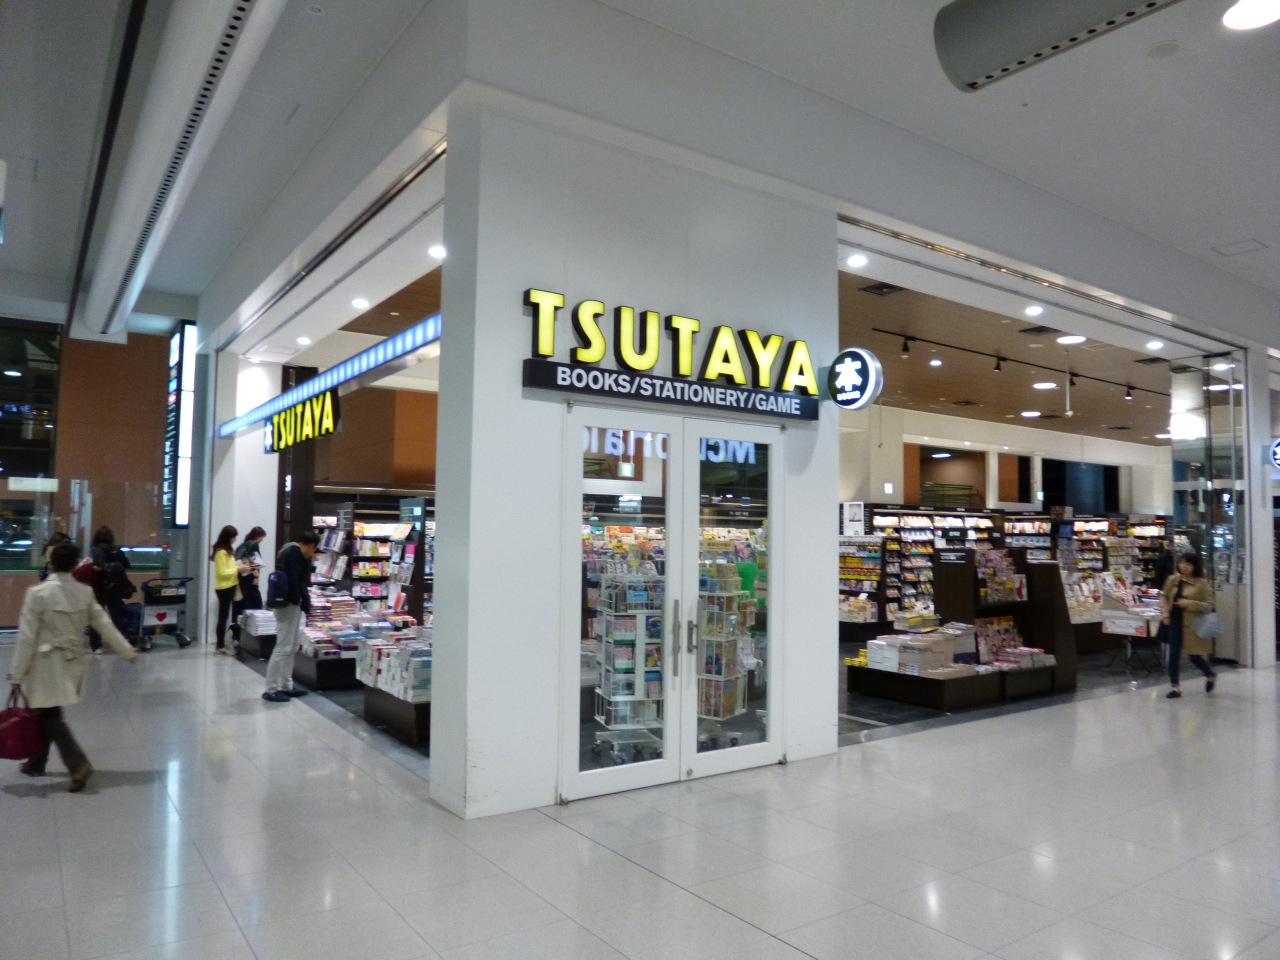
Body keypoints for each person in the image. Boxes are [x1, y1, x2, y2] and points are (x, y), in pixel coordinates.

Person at [7, 541, 139, 791]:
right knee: (45, 712)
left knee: (49, 715)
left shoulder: (38, 593)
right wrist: (126, 650)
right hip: (73, 662)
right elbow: (104, 623)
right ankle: (36, 762)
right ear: (75, 564)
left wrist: (17, 674)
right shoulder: (84, 592)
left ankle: (78, 765)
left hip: (45, 664)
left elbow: (27, 638)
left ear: (51, 562)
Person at [263, 530, 320, 702]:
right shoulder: (294, 554)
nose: (313, 554)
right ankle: (271, 689)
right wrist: (299, 600)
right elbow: (295, 580)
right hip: (289, 605)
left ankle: (286, 685)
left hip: (290, 604)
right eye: (314, 549)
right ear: (310, 545)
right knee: (283, 647)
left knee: (292, 645)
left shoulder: (289, 551)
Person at [1160, 551, 1217, 699]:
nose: (1184, 566)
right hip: (1174, 622)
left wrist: (1189, 603)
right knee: (1173, 655)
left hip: (1192, 625)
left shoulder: (1202, 583)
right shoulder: (1172, 580)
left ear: (1195, 566)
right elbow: (1163, 596)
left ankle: (1210, 674)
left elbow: (1209, 604)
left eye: (1188, 564)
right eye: (1182, 563)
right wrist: (1165, 614)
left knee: (1194, 656)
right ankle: (1175, 687)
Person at [210, 525, 244, 656]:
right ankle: (220, 645)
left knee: (224, 616)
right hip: (224, 588)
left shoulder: (228, 551)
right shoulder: (221, 552)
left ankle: (221, 645)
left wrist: (239, 567)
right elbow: (222, 572)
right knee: (223, 617)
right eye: (233, 537)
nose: (235, 539)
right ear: (228, 537)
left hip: (230, 586)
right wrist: (238, 569)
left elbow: (230, 567)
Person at [231, 526, 266, 646]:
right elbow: (254, 562)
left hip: (241, 579)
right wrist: (256, 576)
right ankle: (251, 637)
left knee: (241, 606)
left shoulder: (243, 545)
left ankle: (237, 635)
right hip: (249, 580)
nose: (262, 540)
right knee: (256, 606)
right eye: (262, 537)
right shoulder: (253, 545)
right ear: (258, 536)